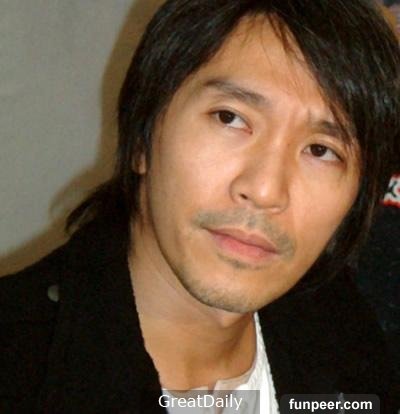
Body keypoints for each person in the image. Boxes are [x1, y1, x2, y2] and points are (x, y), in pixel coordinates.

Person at [1, 0, 399, 412]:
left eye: (320, 150)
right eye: (229, 118)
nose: (265, 190)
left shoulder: (345, 333)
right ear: (142, 137)